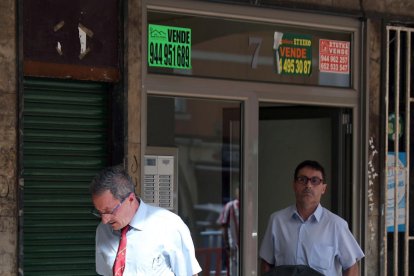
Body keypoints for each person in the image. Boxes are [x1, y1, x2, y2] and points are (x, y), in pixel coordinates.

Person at [90, 165, 202, 276]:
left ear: (130, 199)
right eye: (100, 213)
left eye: (109, 211)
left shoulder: (170, 225)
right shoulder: (103, 231)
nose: (105, 220)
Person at [259, 160, 364, 276]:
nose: (308, 185)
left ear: (323, 188)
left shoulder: (336, 225)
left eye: (315, 181)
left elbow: (351, 267)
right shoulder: (277, 221)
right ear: (294, 185)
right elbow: (266, 264)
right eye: (302, 180)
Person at [217, 187, 240, 276]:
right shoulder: (230, 206)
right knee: (233, 270)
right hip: (233, 247)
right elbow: (224, 226)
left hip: (246, 248)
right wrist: (227, 246)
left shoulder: (249, 205)